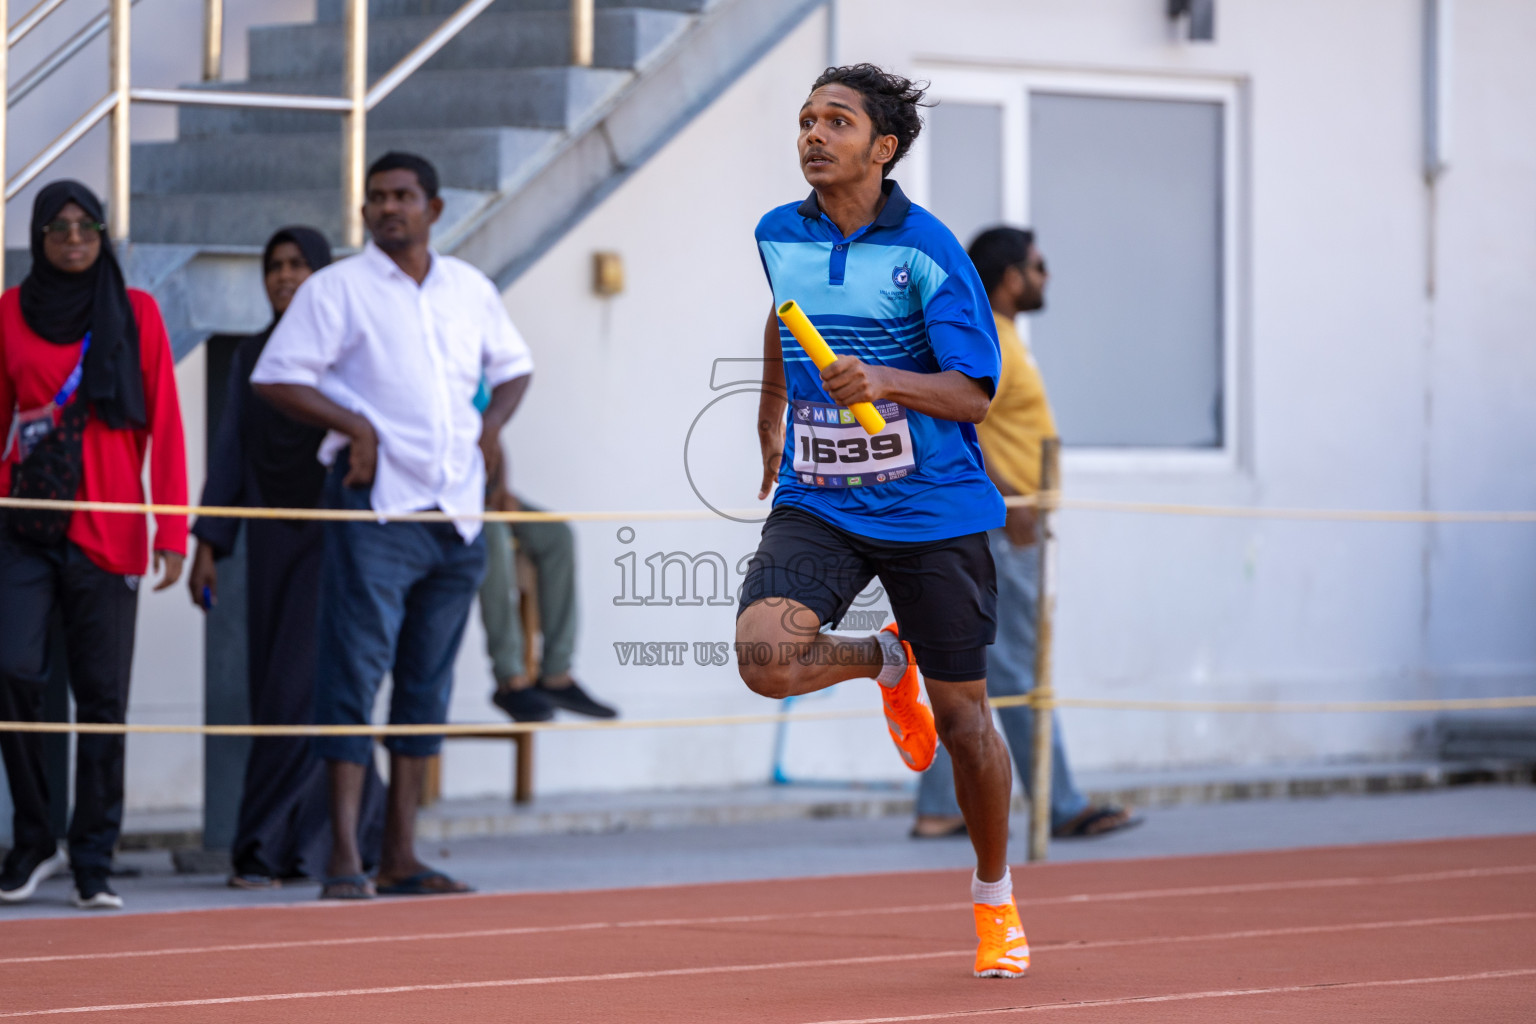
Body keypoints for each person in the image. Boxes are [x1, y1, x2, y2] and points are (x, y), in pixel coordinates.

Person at [736, 65, 1028, 979]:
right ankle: (881, 658)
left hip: (930, 508)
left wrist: (887, 378)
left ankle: (994, 900)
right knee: (765, 660)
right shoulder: (777, 231)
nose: (813, 136)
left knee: (965, 725)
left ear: (884, 147)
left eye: (836, 123)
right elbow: (786, 312)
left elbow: (975, 394)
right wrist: (771, 409)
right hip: (820, 499)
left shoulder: (931, 252)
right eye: (806, 121)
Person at [251, 152, 533, 900]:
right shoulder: (336, 289)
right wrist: (354, 427)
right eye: (376, 198)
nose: (388, 209)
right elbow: (277, 375)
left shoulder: (470, 288)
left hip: (459, 516)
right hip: (377, 509)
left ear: (434, 208)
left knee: (426, 683)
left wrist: (494, 426)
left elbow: (514, 367)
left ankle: (401, 855)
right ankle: (344, 856)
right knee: (352, 672)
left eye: (403, 196)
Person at [911, 227, 1140, 841]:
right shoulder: (990, 339)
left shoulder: (1004, 337)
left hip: (1006, 523)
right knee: (1016, 667)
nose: (1047, 277)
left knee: (971, 668)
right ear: (1011, 276)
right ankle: (1058, 805)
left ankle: (941, 808)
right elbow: (957, 413)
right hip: (1002, 527)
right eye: (1039, 266)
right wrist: (1009, 499)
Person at [0, 180, 188, 910]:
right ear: (38, 236)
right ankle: (34, 837)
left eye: (87, 225)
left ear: (103, 233)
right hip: (24, 527)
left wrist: (171, 526)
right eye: (58, 226)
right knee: (12, 667)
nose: (74, 237)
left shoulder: (136, 313)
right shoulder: (9, 315)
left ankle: (93, 859)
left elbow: (165, 426)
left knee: (102, 698)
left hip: (108, 529)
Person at [186, 226, 386, 889]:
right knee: (278, 689)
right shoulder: (253, 355)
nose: (285, 276)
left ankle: (263, 848)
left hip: (338, 531)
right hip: (273, 537)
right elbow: (233, 450)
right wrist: (210, 545)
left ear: (323, 275)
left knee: (305, 687)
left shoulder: (346, 351)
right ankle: (329, 840)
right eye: (274, 266)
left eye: (300, 265)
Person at [480, 488, 617, 723]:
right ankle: (510, 679)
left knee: (557, 534)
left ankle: (557, 675)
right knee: (493, 534)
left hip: (486, 493)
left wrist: (498, 490)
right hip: (449, 500)